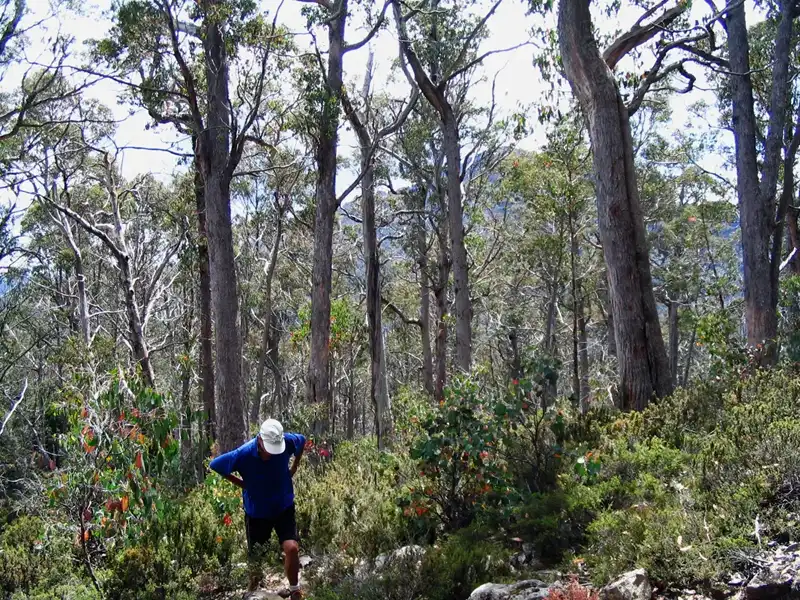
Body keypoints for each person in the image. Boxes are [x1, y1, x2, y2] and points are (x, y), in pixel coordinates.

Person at [210, 419, 306, 599]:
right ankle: (253, 590)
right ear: (260, 440)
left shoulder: (287, 441)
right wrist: (243, 484)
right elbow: (216, 465)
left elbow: (302, 440)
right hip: (257, 513)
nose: (272, 453)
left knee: (292, 548)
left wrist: (294, 466)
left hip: (284, 506)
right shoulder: (243, 454)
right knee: (256, 559)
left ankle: (294, 590)